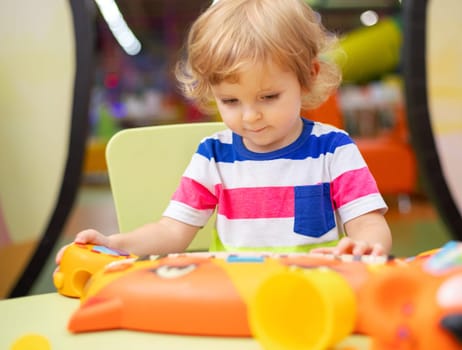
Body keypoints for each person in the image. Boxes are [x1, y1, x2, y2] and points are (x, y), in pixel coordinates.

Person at [57, 0, 391, 262]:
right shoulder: (214, 154)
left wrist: (364, 247)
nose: (250, 116)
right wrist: (114, 243)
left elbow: (367, 221)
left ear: (308, 76)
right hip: (234, 291)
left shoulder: (333, 149)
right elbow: (172, 230)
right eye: (230, 100)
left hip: (314, 290)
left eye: (268, 97)